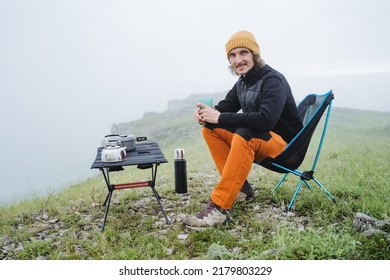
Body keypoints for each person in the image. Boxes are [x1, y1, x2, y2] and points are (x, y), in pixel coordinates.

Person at [183, 30, 303, 228]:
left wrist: (219, 116)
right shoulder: (243, 82)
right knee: (210, 129)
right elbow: (224, 108)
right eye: (232, 55)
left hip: (285, 148)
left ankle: (220, 207)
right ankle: (241, 190)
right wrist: (207, 115)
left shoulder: (273, 80)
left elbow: (266, 120)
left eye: (243, 53)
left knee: (245, 133)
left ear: (254, 54)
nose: (238, 60)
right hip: (263, 140)